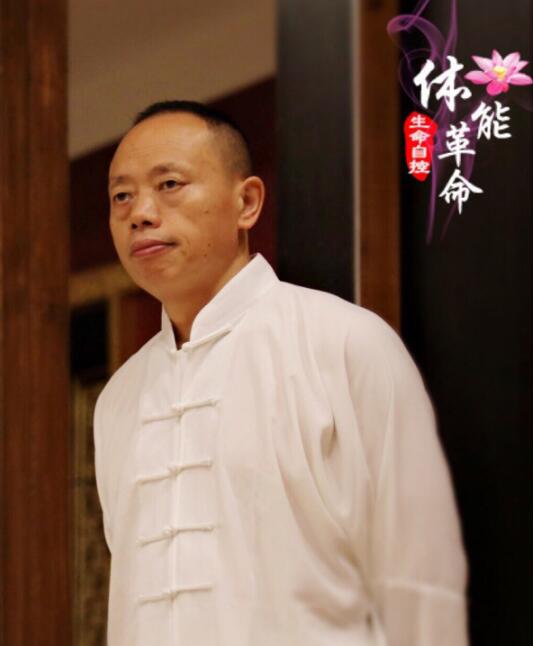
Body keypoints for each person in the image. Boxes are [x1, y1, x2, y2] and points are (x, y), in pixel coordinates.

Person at [94, 100, 469, 646]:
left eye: (169, 184)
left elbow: (420, 579)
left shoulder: (344, 344)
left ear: (246, 202)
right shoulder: (118, 398)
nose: (141, 213)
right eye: (121, 196)